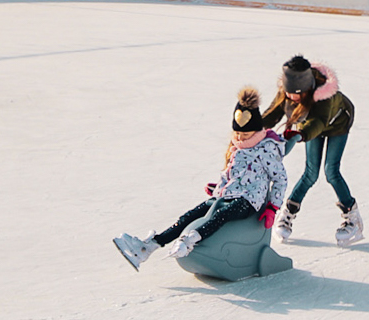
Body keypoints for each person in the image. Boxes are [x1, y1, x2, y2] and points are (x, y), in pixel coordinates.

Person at [114, 86, 287, 269]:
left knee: (221, 215)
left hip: (249, 200)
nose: (240, 137)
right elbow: (229, 173)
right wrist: (219, 188)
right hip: (228, 195)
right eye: (237, 133)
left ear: (256, 131)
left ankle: (191, 240)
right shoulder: (237, 148)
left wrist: (273, 207)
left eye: (245, 134)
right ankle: (148, 247)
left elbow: (280, 179)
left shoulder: (266, 149)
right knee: (190, 215)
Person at [262, 55, 361, 244]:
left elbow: (318, 122)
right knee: (310, 173)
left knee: (331, 172)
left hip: (337, 124)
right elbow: (273, 113)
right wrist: (252, 128)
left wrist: (300, 134)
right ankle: (288, 213)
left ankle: (352, 217)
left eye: (294, 94)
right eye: (288, 92)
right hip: (311, 127)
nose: (290, 97)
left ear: (306, 89)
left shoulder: (325, 95)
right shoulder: (288, 90)